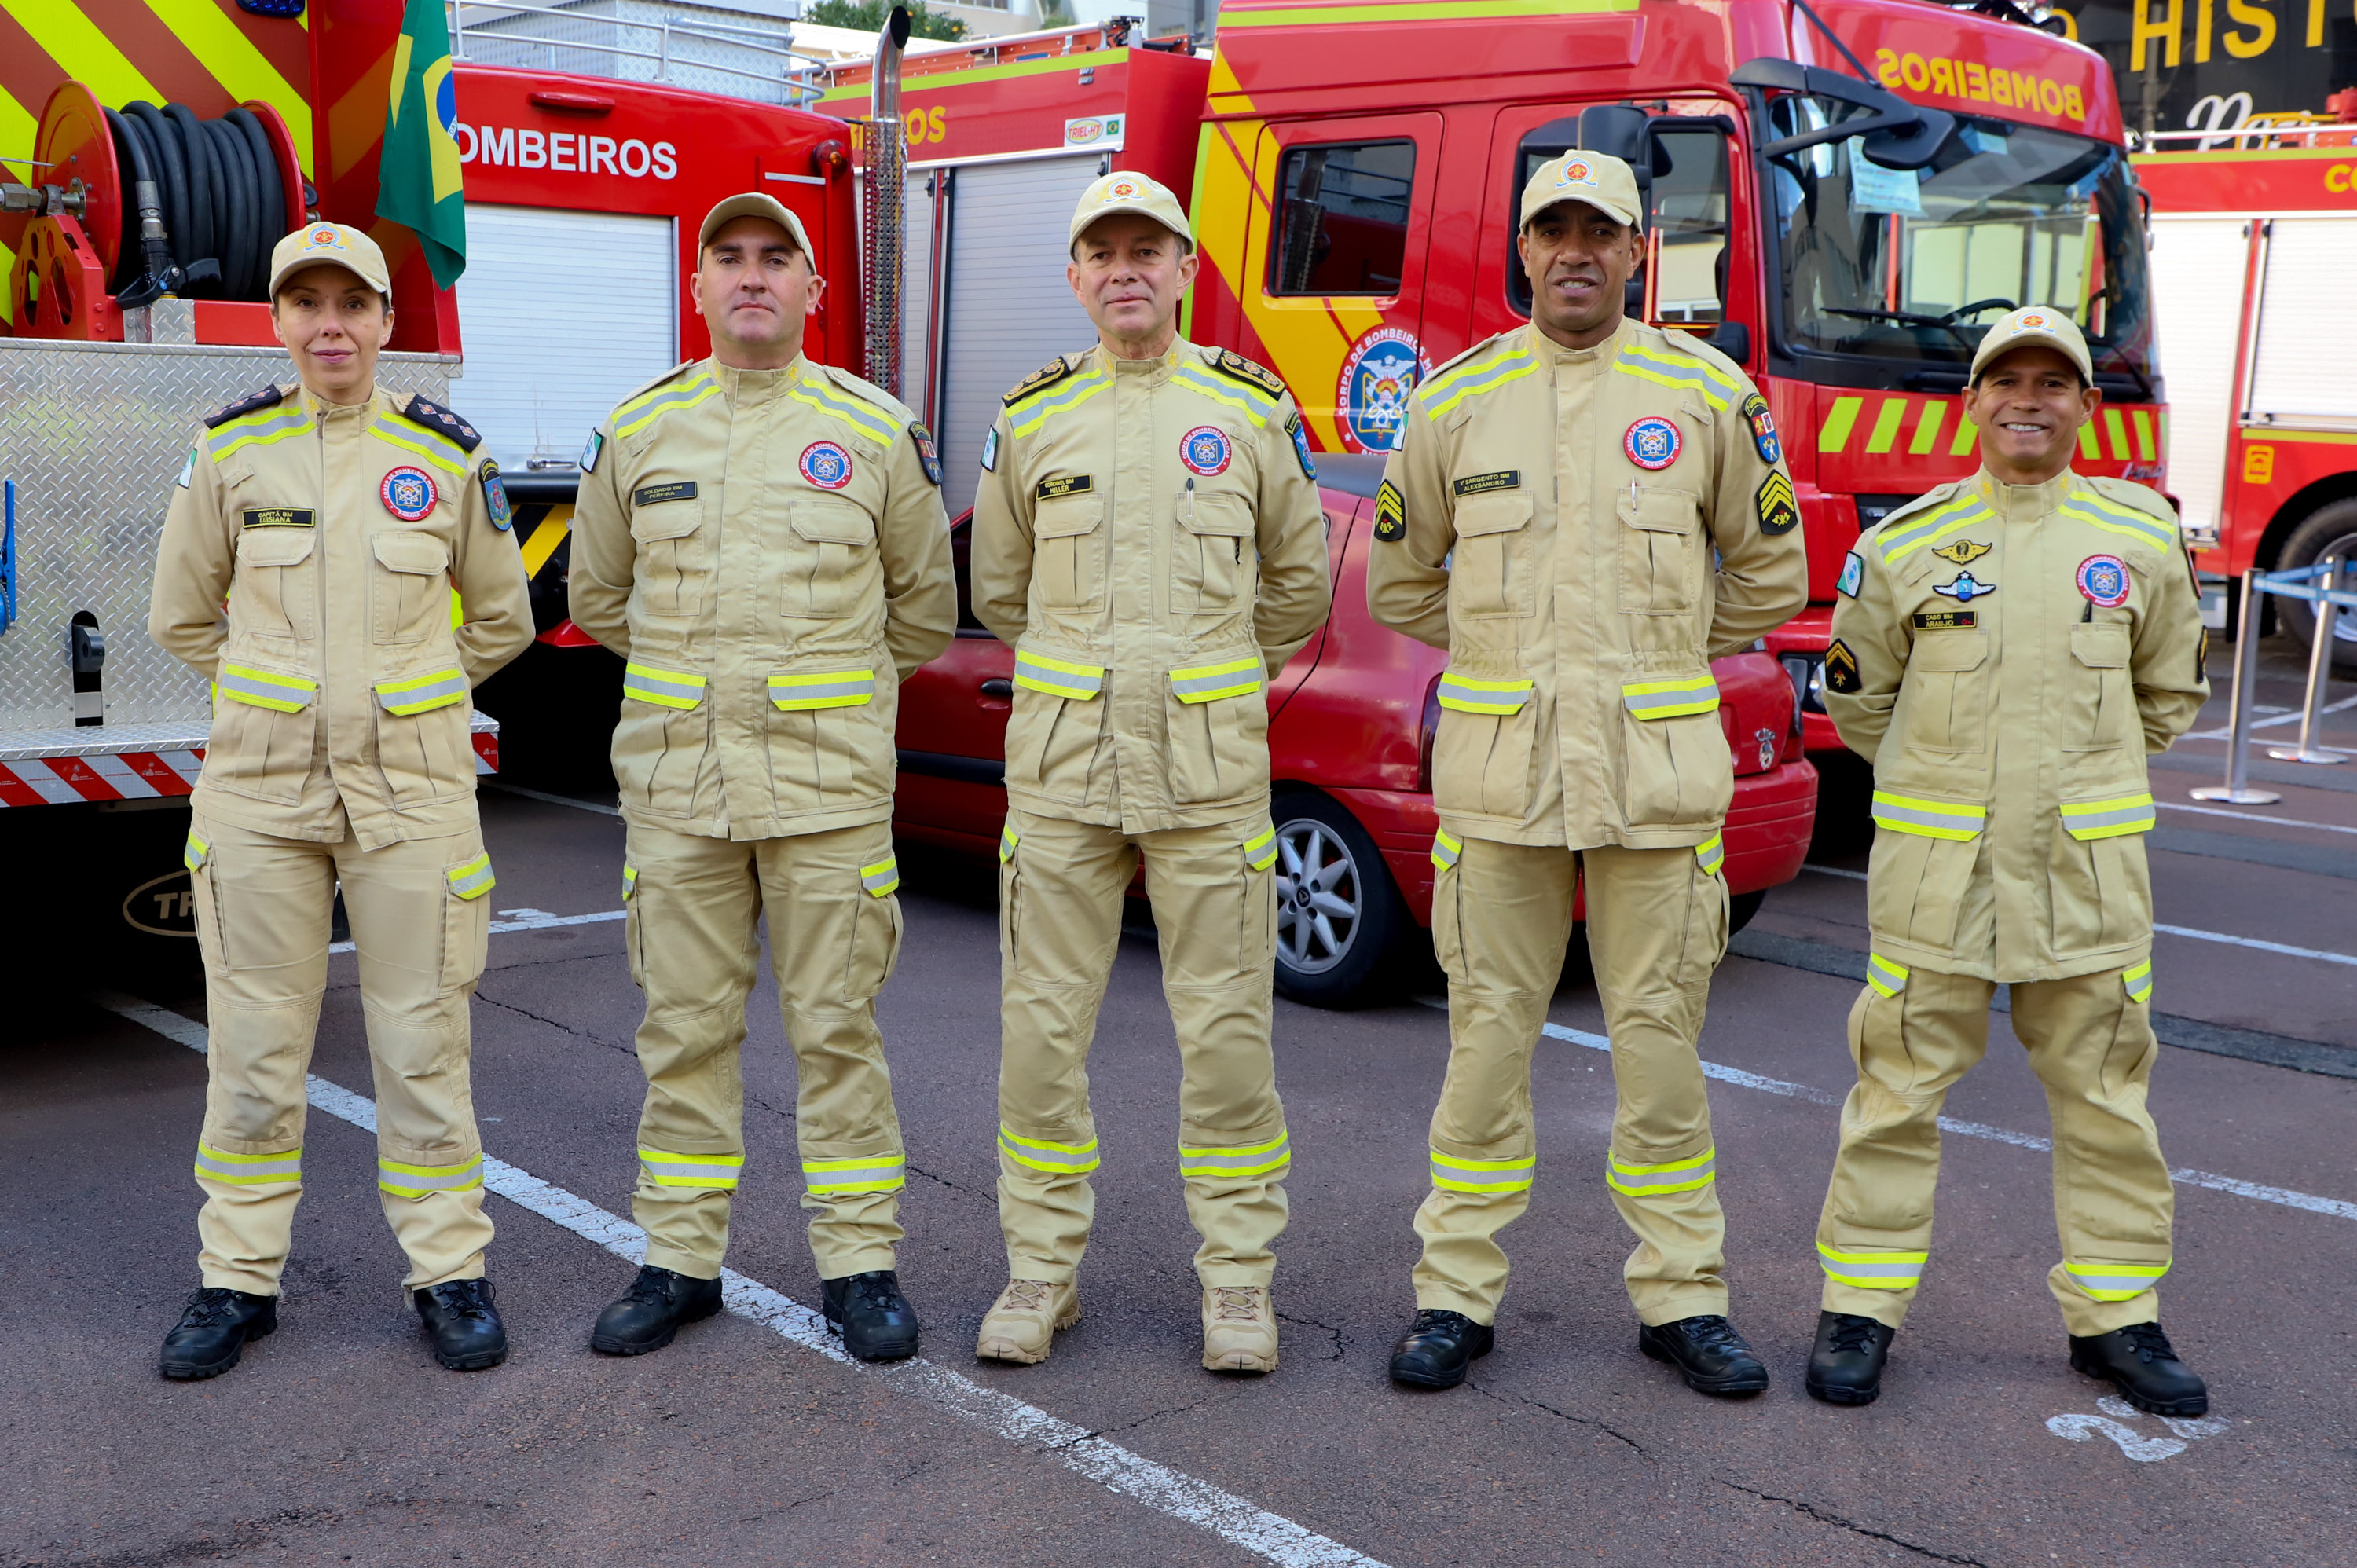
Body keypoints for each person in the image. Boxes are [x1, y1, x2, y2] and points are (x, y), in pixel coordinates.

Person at [1366, 152, 1806, 1395]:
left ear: (1635, 248)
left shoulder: (1708, 395)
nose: (1573, 251)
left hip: (1655, 781)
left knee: (1661, 1049)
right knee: (1485, 1045)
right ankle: (1455, 1295)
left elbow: (1770, 575)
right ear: (1522, 250)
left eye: (1597, 232)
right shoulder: (1457, 403)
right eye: (1551, 230)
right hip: (1505, 780)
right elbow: (1403, 579)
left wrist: (1648, 661)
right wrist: (1525, 662)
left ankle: (1684, 1297)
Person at [568, 194, 955, 1362]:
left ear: (811, 291)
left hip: (826, 792)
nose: (750, 277)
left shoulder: (875, 433)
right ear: (695, 289)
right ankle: (680, 1263)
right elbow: (598, 600)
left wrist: (811, 691)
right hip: (682, 791)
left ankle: (859, 1266)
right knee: (682, 1032)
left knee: (838, 1034)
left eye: (774, 259)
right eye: (726, 259)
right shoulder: (639, 433)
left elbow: (924, 613)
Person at [1803, 308, 2210, 1413]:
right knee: (1893, 1097)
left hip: (2083, 881)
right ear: (1973, 403)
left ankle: (2118, 1323)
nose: (2029, 399)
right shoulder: (1904, 545)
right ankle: (1860, 1313)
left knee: (2107, 1104)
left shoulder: (2138, 537)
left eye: (2053, 383)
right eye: (2007, 381)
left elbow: (2167, 700)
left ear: (2085, 405)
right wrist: (1950, 789)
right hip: (1940, 877)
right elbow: (1857, 704)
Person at [149, 222, 533, 1378]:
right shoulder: (228, 453)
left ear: (385, 322)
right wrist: (281, 705)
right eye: (305, 303)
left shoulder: (444, 454)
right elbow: (181, 616)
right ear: (276, 322)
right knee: (256, 1051)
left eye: (351, 304)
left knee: (424, 1044)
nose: (330, 325)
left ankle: (450, 1276)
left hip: (413, 796)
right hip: (259, 798)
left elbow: (503, 621)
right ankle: (237, 1283)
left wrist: (402, 702)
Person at [967, 171, 1331, 1372]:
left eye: (1149, 249)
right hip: (1066, 772)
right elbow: (1000, 593)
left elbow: (1298, 584)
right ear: (1074, 278)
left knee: (1228, 1038)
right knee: (1040, 1037)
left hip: (1208, 773)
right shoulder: (1031, 419)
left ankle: (1237, 1284)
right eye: (1102, 251)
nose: (1126, 268)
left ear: (1185, 269)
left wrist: (1205, 673)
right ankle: (1040, 1274)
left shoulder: (1249, 411)